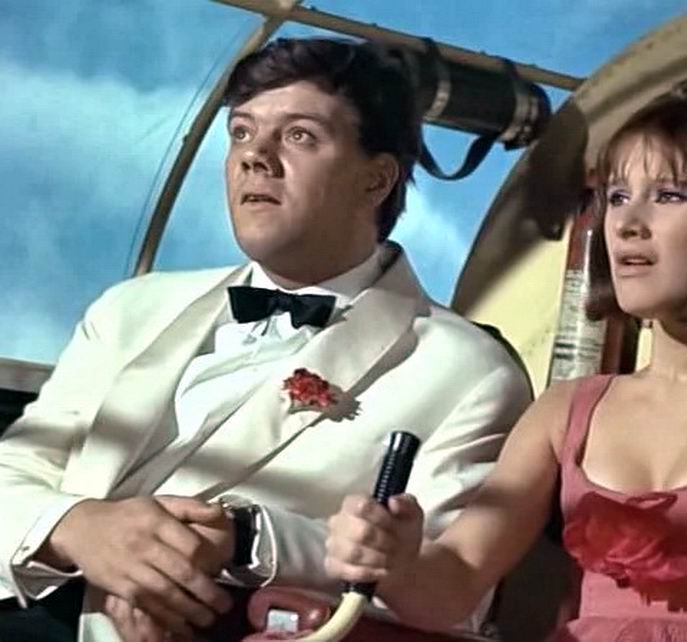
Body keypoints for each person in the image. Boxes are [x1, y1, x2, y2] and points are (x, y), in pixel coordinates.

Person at [325, 79, 687, 641]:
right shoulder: (565, 411)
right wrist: (394, 559)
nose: (625, 223)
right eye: (617, 197)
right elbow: (451, 588)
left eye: (669, 195)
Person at [0, 37, 532, 642]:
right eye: (242, 133)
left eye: (300, 135)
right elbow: (13, 470)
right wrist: (74, 527)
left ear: (376, 180)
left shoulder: (467, 372)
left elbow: (450, 596)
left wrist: (244, 541)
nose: (255, 156)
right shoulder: (129, 309)